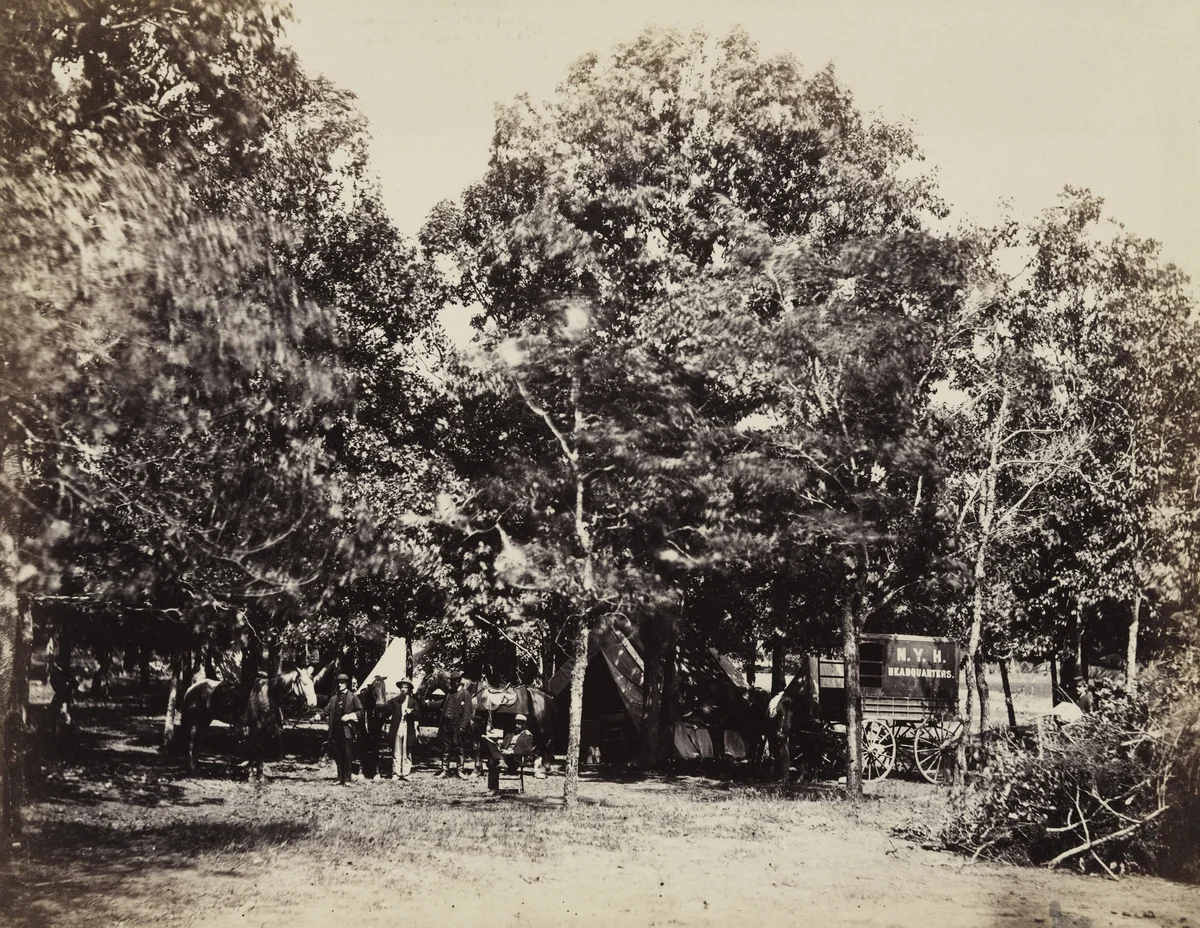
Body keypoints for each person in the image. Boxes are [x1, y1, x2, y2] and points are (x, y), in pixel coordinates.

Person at [325, 673, 363, 786]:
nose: (340, 685)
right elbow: (326, 710)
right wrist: (318, 715)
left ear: (346, 684)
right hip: (335, 731)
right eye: (338, 683)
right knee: (337, 755)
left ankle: (347, 779)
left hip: (347, 731)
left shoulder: (353, 697)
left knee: (347, 755)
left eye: (342, 683)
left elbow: (361, 712)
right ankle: (340, 778)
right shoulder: (334, 698)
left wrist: (349, 716)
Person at [436, 671, 472, 778]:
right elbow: (441, 704)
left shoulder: (465, 694)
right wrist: (428, 703)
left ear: (459, 681)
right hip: (446, 725)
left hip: (457, 725)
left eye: (456, 680)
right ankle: (444, 770)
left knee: (459, 748)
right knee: (446, 748)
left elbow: (467, 712)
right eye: (452, 680)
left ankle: (460, 771)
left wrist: (463, 726)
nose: (454, 682)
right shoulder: (449, 693)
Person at [387, 678, 419, 780]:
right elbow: (386, 712)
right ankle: (396, 773)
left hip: (408, 729)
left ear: (409, 689)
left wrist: (411, 712)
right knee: (396, 751)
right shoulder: (394, 701)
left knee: (407, 751)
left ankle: (406, 773)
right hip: (397, 728)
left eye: (405, 687)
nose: (403, 689)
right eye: (401, 687)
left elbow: (418, 715)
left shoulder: (413, 702)